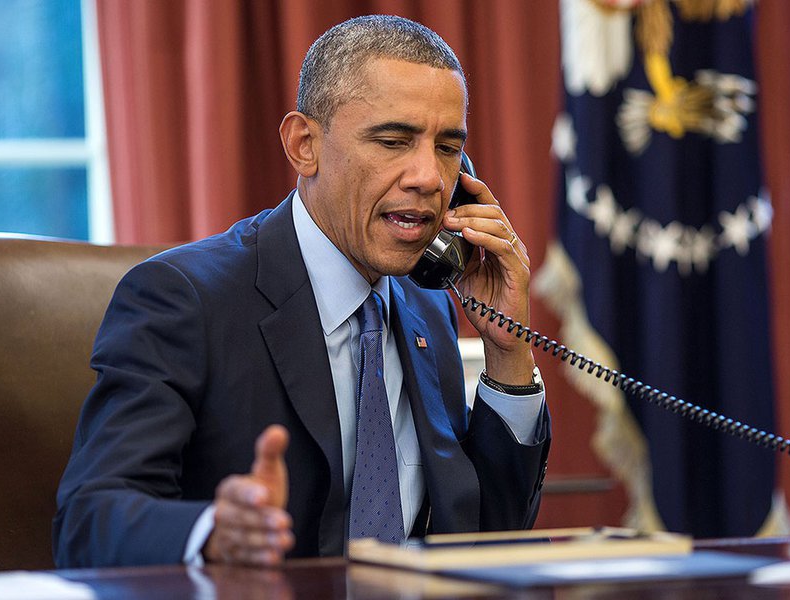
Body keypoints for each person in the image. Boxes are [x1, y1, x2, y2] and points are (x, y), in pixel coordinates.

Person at [53, 14, 550, 568]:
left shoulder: (426, 301)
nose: (430, 178)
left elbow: (484, 539)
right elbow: (88, 520)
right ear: (303, 145)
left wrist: (510, 352)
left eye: (447, 148)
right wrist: (215, 531)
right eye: (393, 140)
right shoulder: (183, 299)